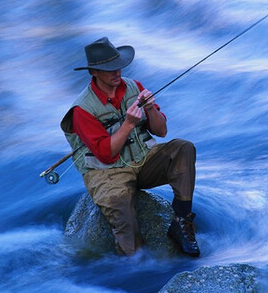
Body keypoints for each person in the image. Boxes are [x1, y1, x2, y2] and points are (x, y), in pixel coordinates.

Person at [61, 36, 199, 258]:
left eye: (119, 67)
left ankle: (181, 223)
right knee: (125, 221)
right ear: (93, 73)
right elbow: (107, 155)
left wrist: (152, 109)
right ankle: (135, 269)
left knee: (183, 148)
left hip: (143, 160)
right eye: (109, 69)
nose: (117, 72)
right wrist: (128, 124)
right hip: (106, 173)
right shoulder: (81, 110)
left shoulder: (134, 87)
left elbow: (162, 131)